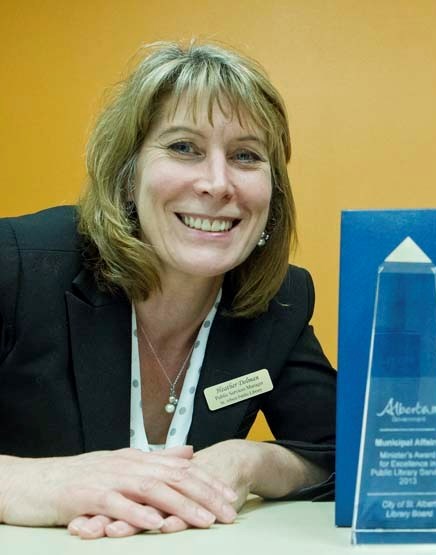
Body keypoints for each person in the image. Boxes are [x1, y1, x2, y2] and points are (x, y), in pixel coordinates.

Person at [0, 41, 336, 538]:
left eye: (246, 156)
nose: (218, 184)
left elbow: (340, 452)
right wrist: (40, 481)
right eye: (184, 148)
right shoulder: (18, 262)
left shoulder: (278, 301)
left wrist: (249, 461)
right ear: (127, 175)